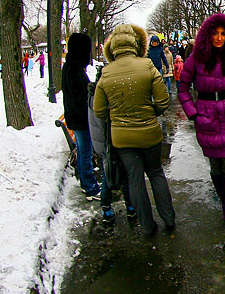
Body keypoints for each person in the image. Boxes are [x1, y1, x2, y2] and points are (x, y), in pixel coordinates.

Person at [94, 24, 175, 235]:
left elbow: (99, 110)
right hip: (149, 132)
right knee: (156, 173)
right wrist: (151, 113)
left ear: (111, 47)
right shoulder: (147, 65)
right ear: (137, 44)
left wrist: (117, 119)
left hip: (122, 138)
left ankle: (147, 226)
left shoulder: (106, 72)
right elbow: (163, 100)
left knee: (134, 179)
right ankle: (169, 218)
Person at [179, 13, 225, 234]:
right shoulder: (196, 60)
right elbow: (183, 89)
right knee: (216, 166)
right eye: (215, 34)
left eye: (223, 34)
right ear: (207, 36)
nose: (219, 38)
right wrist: (194, 114)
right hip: (207, 116)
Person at [87, 65, 134, 225]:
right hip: (110, 142)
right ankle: (129, 206)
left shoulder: (92, 93)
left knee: (108, 174)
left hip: (100, 142)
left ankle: (107, 207)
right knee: (122, 174)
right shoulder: (102, 96)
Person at [62, 33, 100, 201]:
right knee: (84, 152)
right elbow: (77, 97)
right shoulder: (73, 70)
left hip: (79, 117)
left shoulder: (73, 67)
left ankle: (88, 182)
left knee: (85, 152)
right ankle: (90, 187)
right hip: (80, 119)